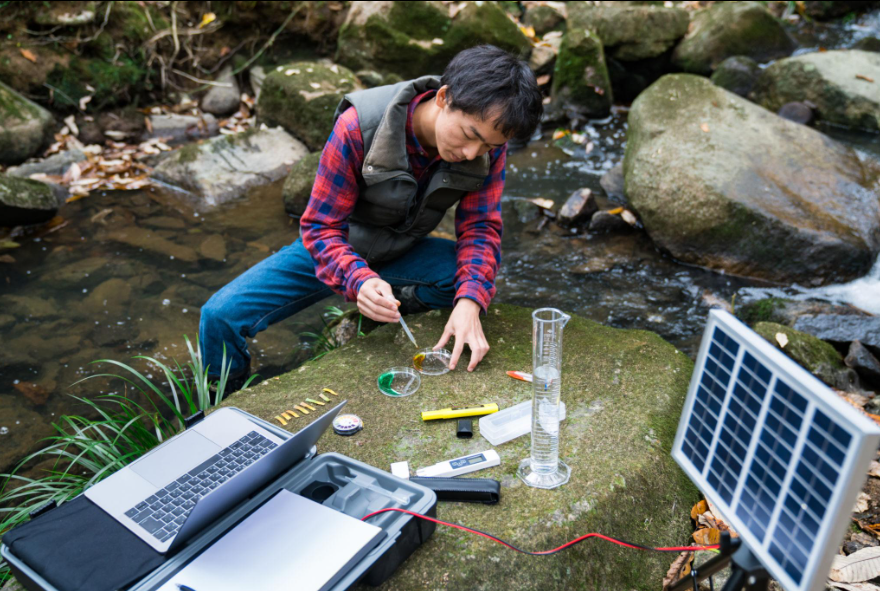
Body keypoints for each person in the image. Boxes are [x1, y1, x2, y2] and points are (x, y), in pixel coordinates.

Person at [199, 44, 543, 389]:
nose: (472, 153)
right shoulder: (357, 128)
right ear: (443, 97)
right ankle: (225, 401)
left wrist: (470, 302)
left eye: (487, 147)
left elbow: (481, 229)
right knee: (219, 317)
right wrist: (359, 279)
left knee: (472, 283)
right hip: (338, 247)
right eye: (470, 135)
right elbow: (320, 228)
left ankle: (395, 301)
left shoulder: (487, 148)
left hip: (401, 250)